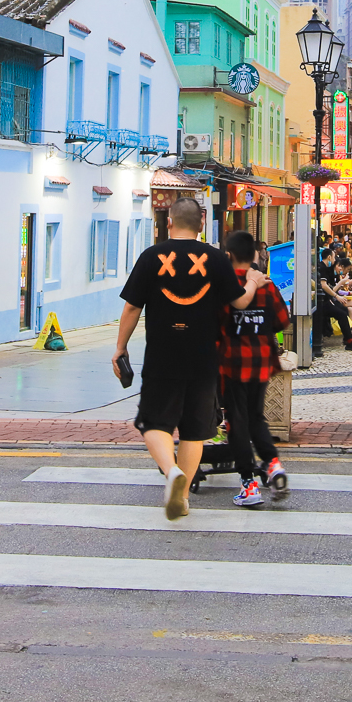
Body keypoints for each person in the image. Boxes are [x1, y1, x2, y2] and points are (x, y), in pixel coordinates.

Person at [113, 197, 264, 521]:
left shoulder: (151, 256)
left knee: (153, 421)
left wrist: (120, 347)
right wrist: (252, 281)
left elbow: (132, 306)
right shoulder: (216, 258)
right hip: (204, 355)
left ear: (169, 222)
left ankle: (171, 472)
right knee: (195, 430)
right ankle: (181, 499)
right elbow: (239, 302)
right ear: (201, 225)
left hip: (162, 353)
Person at [220, 230, 290, 507]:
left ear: (228, 256)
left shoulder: (224, 285)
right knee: (256, 417)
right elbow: (282, 321)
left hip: (232, 362)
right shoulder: (267, 285)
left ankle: (248, 483)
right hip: (261, 361)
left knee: (236, 421)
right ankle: (273, 465)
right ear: (254, 256)